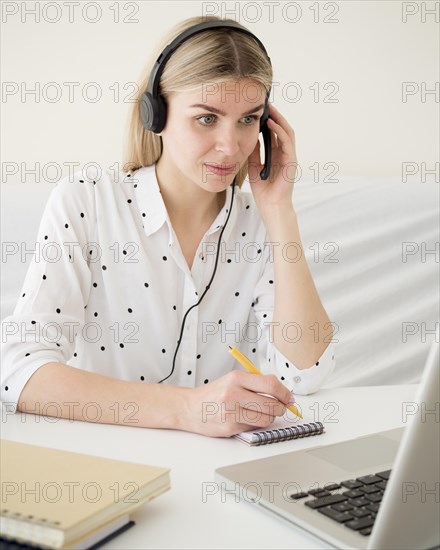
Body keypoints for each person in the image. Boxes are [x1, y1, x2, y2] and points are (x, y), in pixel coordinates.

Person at [1, 15, 335, 437]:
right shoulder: (86, 200)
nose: (230, 147)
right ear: (155, 113)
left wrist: (279, 211)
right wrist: (187, 409)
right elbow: (19, 371)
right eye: (206, 118)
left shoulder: (260, 224)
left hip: (220, 473)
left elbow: (306, 375)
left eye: (249, 120)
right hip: (111, 464)